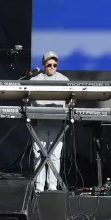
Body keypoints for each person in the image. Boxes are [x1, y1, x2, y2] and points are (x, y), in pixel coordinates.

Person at [29, 51, 68, 191]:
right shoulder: (35, 80)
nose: (52, 67)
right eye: (49, 65)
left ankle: (52, 187)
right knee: (38, 155)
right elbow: (28, 98)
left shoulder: (64, 79)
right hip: (39, 121)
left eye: (54, 65)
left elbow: (70, 99)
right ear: (43, 65)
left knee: (55, 156)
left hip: (57, 122)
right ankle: (39, 187)